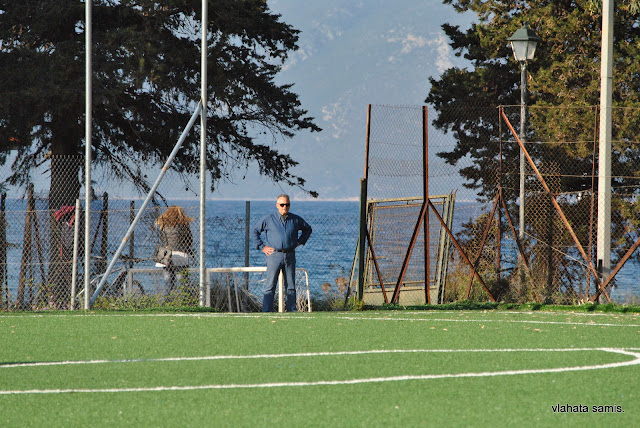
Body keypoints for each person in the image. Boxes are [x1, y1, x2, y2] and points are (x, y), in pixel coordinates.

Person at [252, 194, 312, 312]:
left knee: (290, 286)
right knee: (270, 285)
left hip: (290, 255)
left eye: (287, 204)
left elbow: (308, 229)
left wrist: (300, 242)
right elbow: (255, 231)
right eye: (282, 204)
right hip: (274, 256)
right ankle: (267, 311)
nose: (284, 207)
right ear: (277, 205)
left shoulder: (295, 219)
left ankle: (291, 310)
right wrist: (262, 247)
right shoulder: (268, 219)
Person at [154, 205, 195, 293]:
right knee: (182, 282)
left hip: (167, 256)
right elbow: (189, 240)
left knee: (168, 283)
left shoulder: (163, 226)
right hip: (181, 255)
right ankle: (184, 299)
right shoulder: (184, 225)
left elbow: (163, 240)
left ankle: (167, 299)